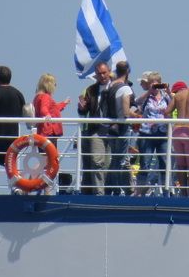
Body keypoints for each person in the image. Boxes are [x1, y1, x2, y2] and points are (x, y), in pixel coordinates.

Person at [76, 61, 115, 195]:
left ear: (109, 71)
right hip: (96, 130)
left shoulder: (117, 87)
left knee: (110, 163)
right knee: (97, 161)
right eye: (99, 74)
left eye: (104, 73)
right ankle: (99, 193)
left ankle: (109, 191)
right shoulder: (91, 90)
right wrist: (81, 107)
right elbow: (83, 111)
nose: (102, 76)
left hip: (114, 130)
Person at [136, 74, 171, 195]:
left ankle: (166, 191)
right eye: (153, 84)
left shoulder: (166, 97)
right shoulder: (146, 98)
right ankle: (140, 191)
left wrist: (169, 92)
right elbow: (136, 102)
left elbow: (174, 104)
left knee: (164, 163)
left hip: (162, 133)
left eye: (157, 84)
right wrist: (148, 92)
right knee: (145, 163)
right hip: (147, 134)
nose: (156, 87)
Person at [107, 61, 135, 196]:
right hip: (122, 128)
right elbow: (125, 111)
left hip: (110, 127)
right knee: (122, 160)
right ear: (128, 71)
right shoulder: (125, 89)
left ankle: (112, 188)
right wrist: (135, 114)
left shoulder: (110, 86)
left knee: (114, 159)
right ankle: (118, 189)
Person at [32, 73, 69, 146]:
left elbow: (53, 109)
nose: (55, 86)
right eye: (54, 84)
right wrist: (47, 115)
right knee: (51, 155)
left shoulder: (38, 97)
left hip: (42, 131)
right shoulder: (45, 97)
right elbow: (44, 109)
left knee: (45, 156)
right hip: (49, 132)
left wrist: (64, 103)